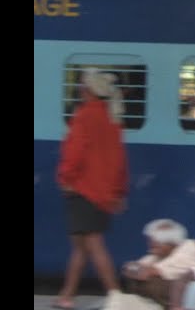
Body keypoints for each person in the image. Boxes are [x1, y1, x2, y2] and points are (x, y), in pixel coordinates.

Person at [55, 68, 130, 310]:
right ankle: (67, 295)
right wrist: (118, 191)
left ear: (87, 89)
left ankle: (115, 294)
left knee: (93, 245)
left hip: (84, 189)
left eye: (82, 85)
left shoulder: (85, 115)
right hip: (103, 192)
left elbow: (74, 153)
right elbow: (120, 159)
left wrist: (65, 178)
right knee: (81, 247)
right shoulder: (112, 118)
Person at [121, 219, 195, 309]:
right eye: (151, 240)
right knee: (131, 281)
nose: (151, 244)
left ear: (172, 241)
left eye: (157, 240)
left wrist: (139, 270)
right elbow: (128, 268)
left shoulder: (190, 248)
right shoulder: (156, 256)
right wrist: (136, 270)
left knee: (152, 283)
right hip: (174, 298)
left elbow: (146, 273)